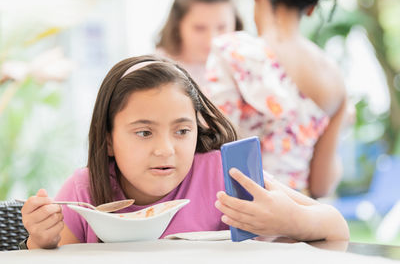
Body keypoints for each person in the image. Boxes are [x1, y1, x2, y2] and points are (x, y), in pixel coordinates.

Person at [20, 55, 349, 249]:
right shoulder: (83, 191)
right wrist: (40, 241)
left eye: (181, 131)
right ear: (108, 139)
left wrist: (289, 219)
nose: (166, 150)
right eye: (144, 132)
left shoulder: (225, 175)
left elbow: (336, 228)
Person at [203, 0, 348, 198]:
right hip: (297, 216)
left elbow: (213, 148)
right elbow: (321, 186)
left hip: (242, 213)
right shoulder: (334, 76)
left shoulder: (232, 51)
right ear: (311, 9)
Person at [156, 0, 243, 86]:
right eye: (199, 28)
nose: (211, 40)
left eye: (222, 27)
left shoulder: (245, 64)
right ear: (177, 24)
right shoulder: (158, 69)